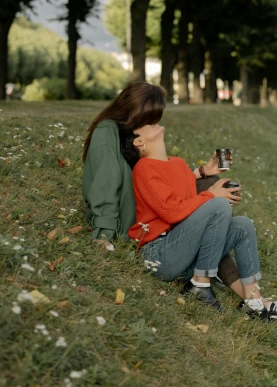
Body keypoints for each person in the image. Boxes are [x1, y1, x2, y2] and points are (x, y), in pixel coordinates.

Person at [120, 120, 277, 325]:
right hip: (160, 256)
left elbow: (180, 188)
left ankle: (255, 302)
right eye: (146, 123)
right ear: (138, 141)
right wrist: (211, 195)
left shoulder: (177, 163)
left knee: (243, 225)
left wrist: (204, 172)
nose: (153, 121)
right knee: (219, 205)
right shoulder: (143, 168)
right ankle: (200, 283)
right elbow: (171, 212)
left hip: (184, 253)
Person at [82, 82, 240, 288]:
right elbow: (106, 184)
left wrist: (200, 173)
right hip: (132, 225)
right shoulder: (107, 131)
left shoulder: (129, 132)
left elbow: (153, 182)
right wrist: (103, 234)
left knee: (209, 183)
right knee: (211, 198)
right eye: (150, 118)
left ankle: (226, 276)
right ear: (134, 112)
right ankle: (216, 273)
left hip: (147, 211)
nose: (154, 123)